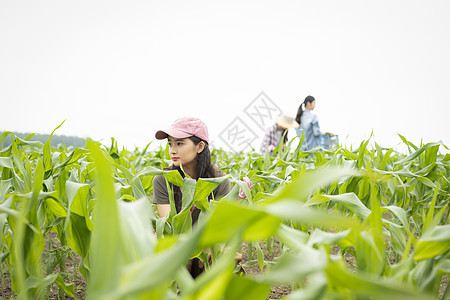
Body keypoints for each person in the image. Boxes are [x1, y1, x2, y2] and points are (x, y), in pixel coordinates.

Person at [152, 117, 230, 224]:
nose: (172, 151)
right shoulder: (162, 179)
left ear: (200, 147)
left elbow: (220, 228)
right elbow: (169, 228)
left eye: (179, 143)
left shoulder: (219, 181)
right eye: (170, 144)